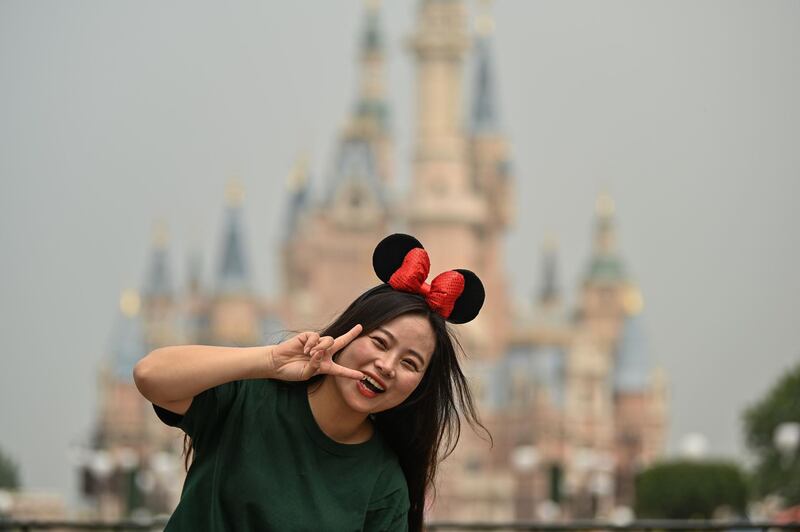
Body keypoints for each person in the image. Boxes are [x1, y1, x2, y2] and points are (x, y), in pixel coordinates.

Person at [134, 233, 488, 531]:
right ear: (348, 333)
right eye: (380, 343)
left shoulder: (383, 484)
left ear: (419, 387)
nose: (387, 365)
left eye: (410, 363)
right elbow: (150, 375)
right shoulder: (251, 397)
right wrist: (269, 360)